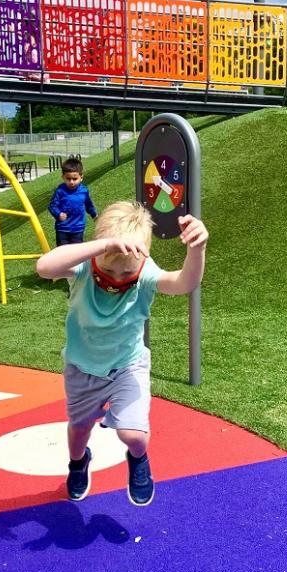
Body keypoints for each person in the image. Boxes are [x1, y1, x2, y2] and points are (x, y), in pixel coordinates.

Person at [36, 201, 209, 507]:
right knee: (79, 431)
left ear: (141, 260)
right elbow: (44, 267)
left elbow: (185, 283)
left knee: (134, 435)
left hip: (128, 366)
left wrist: (197, 249)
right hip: (82, 368)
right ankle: (78, 462)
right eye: (108, 267)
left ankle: (138, 459)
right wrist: (101, 245)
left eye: (125, 270)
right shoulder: (83, 267)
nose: (116, 278)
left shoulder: (144, 272)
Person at [48, 156, 98, 246]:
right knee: (63, 254)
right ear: (63, 177)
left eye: (75, 179)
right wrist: (58, 214)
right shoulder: (60, 191)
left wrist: (94, 215)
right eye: (68, 179)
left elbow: (88, 204)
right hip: (62, 229)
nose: (71, 182)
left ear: (81, 177)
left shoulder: (84, 191)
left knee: (76, 253)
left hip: (78, 229)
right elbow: (52, 206)